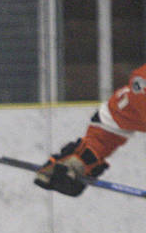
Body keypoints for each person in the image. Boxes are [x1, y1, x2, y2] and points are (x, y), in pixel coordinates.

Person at [35, 64, 146, 195]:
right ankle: (74, 162)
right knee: (85, 157)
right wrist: (84, 157)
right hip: (123, 115)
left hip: (126, 113)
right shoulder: (142, 81)